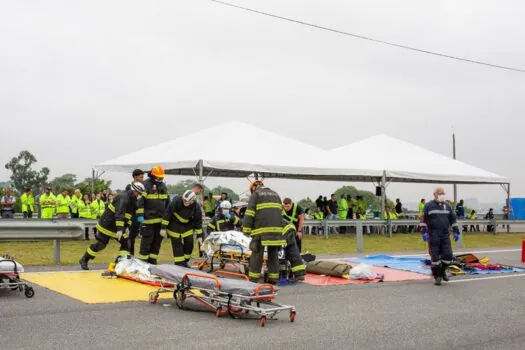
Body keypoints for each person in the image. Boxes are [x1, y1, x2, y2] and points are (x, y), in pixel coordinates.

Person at [79, 182, 145, 270]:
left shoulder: (133, 200)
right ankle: (84, 259)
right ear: (134, 190)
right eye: (139, 193)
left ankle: (120, 263)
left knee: (126, 243)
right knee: (101, 244)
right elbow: (120, 214)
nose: (139, 195)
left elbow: (130, 215)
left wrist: (133, 223)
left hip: (117, 226)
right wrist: (120, 229)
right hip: (107, 225)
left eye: (140, 193)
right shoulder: (123, 198)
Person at [243, 180, 285, 284]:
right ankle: (273, 278)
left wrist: (246, 229)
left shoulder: (256, 195)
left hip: (261, 230)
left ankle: (253, 279)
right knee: (273, 254)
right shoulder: (276, 194)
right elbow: (281, 213)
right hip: (276, 230)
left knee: (257, 254)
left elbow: (250, 213)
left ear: (253, 188)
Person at [419, 187, 460, 286]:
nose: (442, 195)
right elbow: (423, 220)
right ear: (435, 194)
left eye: (443, 193)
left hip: (445, 235)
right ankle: (438, 277)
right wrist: (423, 232)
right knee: (435, 258)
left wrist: (456, 231)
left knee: (448, 256)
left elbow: (453, 220)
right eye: (440, 193)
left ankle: (442, 272)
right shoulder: (428, 206)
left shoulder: (448, 206)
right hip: (433, 235)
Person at [160, 190, 203, 266]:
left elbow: (198, 222)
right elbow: (167, 213)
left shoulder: (196, 207)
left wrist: (200, 236)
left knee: (189, 243)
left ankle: (185, 261)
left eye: (187, 201)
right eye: (184, 201)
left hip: (188, 226)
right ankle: (179, 264)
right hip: (174, 225)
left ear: (192, 201)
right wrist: (163, 228)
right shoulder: (176, 201)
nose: (185, 203)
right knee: (177, 245)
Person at [137, 166, 169, 264]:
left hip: (160, 221)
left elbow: (167, 202)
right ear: (153, 175)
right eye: (158, 177)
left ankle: (152, 260)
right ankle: (143, 262)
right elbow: (140, 202)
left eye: (161, 177)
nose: (160, 179)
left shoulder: (163, 186)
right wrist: (140, 217)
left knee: (157, 242)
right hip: (147, 220)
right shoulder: (145, 185)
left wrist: (167, 217)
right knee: (146, 242)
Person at [124, 169, 145, 256]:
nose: (142, 179)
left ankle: (131, 254)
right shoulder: (129, 187)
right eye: (141, 177)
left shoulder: (143, 187)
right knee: (130, 237)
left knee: (134, 236)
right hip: (131, 215)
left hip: (140, 216)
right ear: (135, 177)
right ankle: (129, 254)